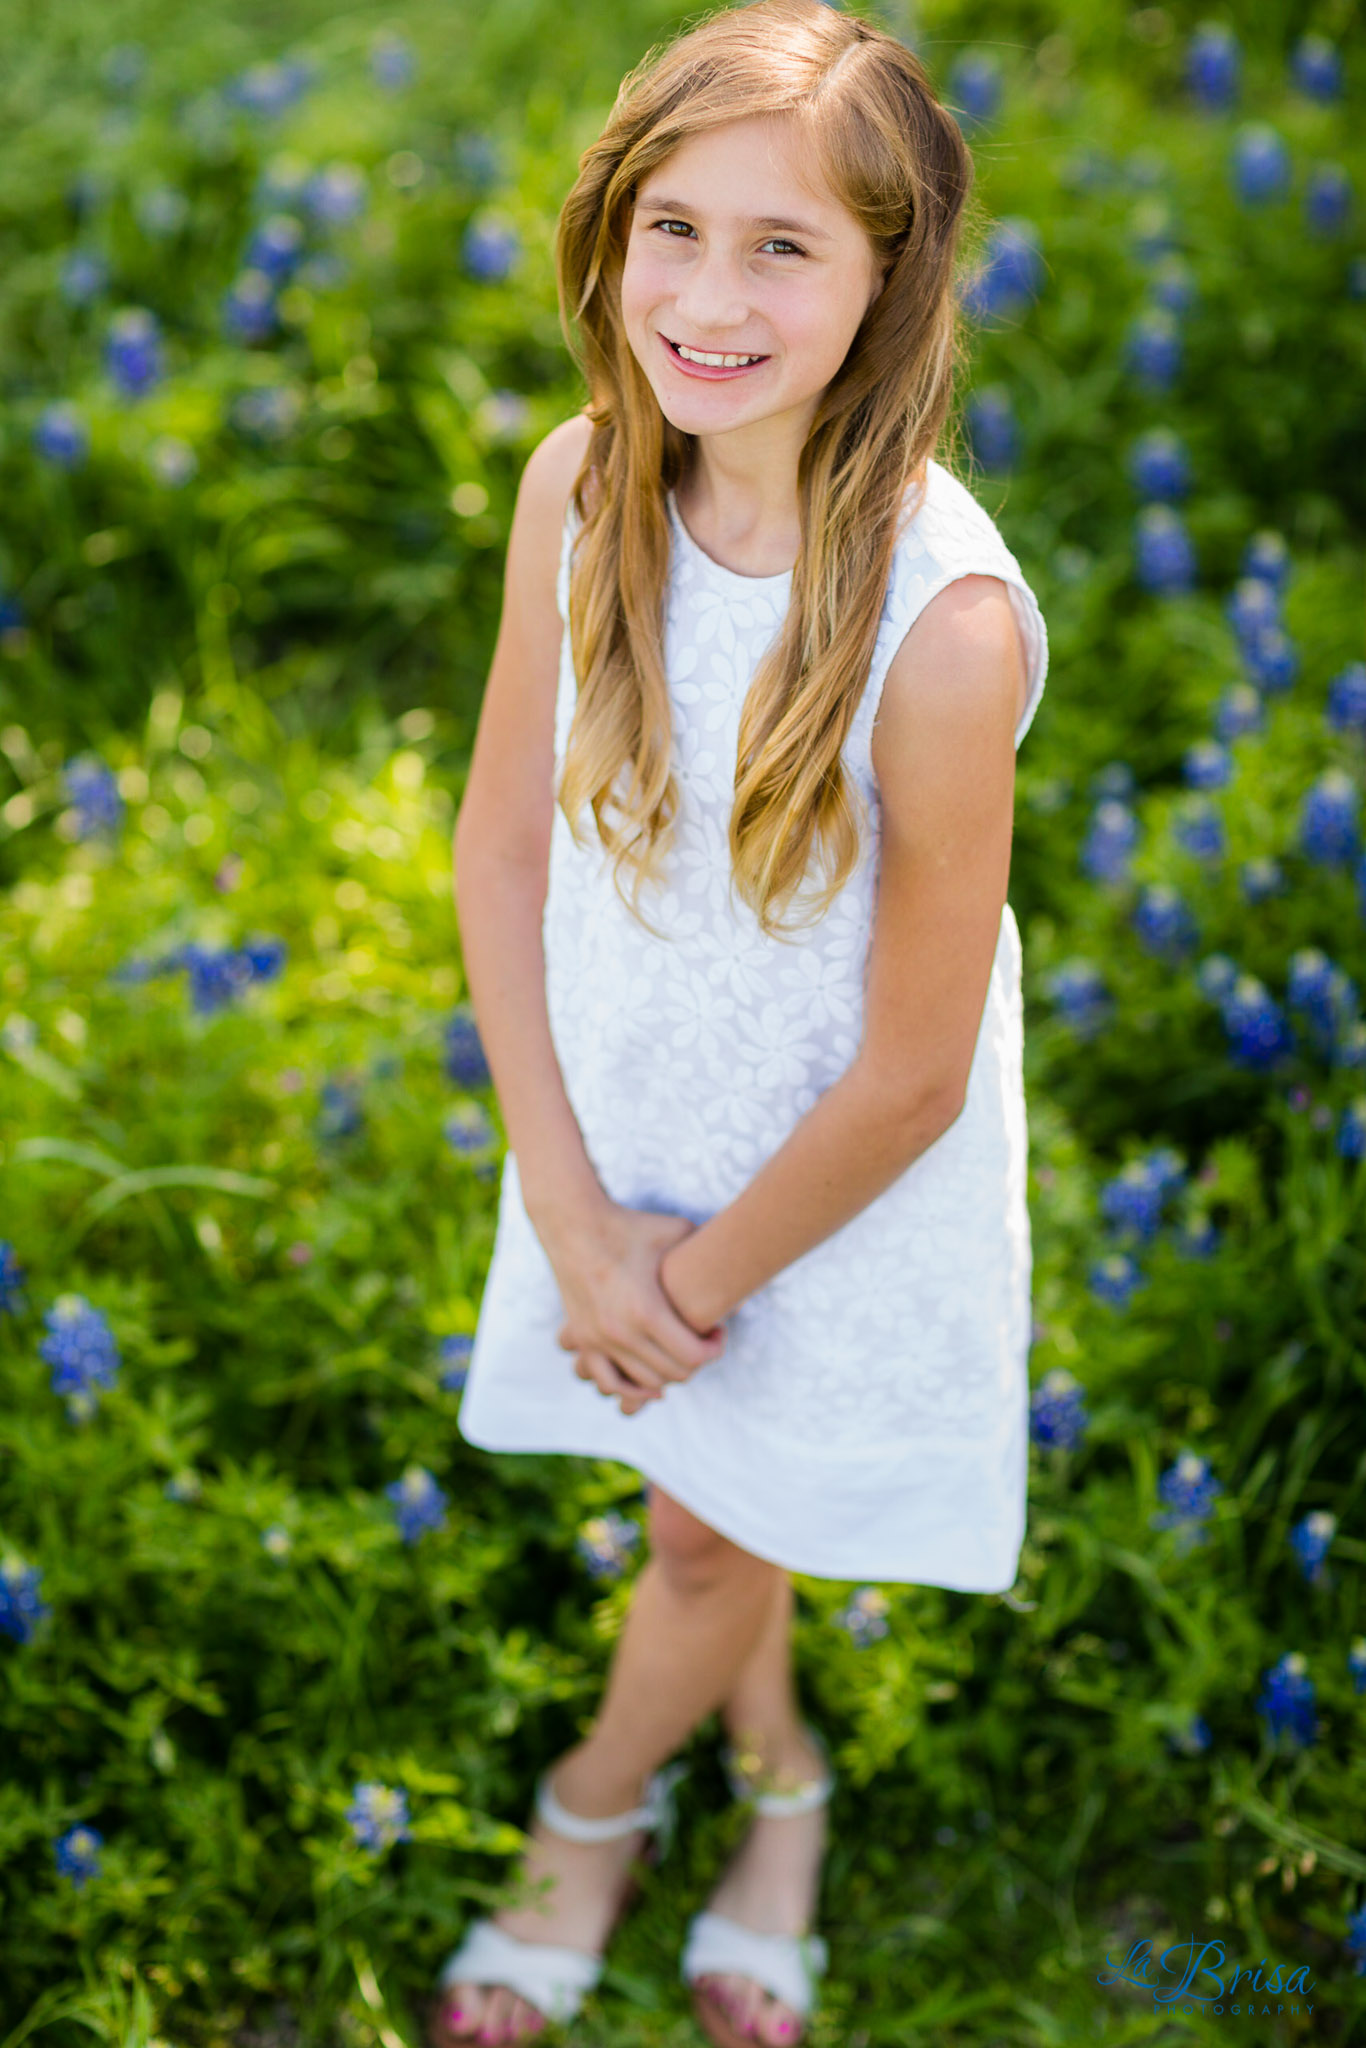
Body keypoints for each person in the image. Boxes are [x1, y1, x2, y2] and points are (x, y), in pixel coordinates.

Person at [434, 2, 1049, 2043]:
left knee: (699, 1533)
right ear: (608, 235)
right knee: (711, 1514)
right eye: (669, 227)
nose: (704, 296)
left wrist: (675, 1283)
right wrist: (571, 1204)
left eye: (782, 245)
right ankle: (773, 1773)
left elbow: (910, 1070)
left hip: (822, 1184)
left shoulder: (936, 626)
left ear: (890, 279)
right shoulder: (582, 483)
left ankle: (594, 1812)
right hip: (619, 1126)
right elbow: (501, 851)